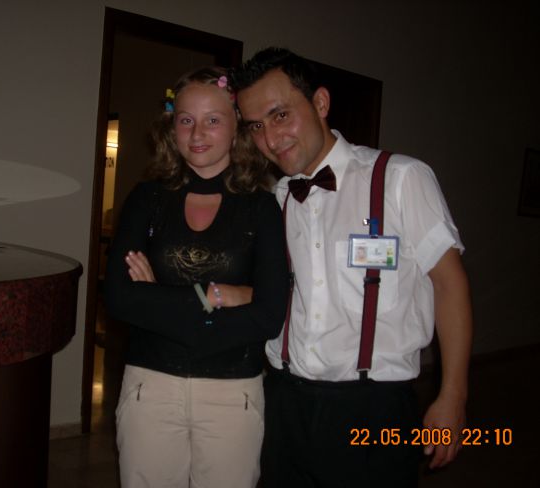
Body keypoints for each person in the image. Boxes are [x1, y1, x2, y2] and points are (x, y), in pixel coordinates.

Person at [231, 48, 473, 487]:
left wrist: (453, 395)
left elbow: (449, 285)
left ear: (320, 103)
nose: (271, 138)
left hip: (374, 409)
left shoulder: (400, 178)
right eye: (256, 126)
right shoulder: (277, 200)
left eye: (280, 115)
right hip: (284, 402)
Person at [105, 66, 289, 488]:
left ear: (236, 125)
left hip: (232, 393)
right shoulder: (146, 199)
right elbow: (118, 298)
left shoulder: (262, 208)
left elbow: (269, 315)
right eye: (186, 120)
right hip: (149, 388)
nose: (197, 133)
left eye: (213, 120)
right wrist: (219, 295)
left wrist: (157, 299)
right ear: (172, 127)